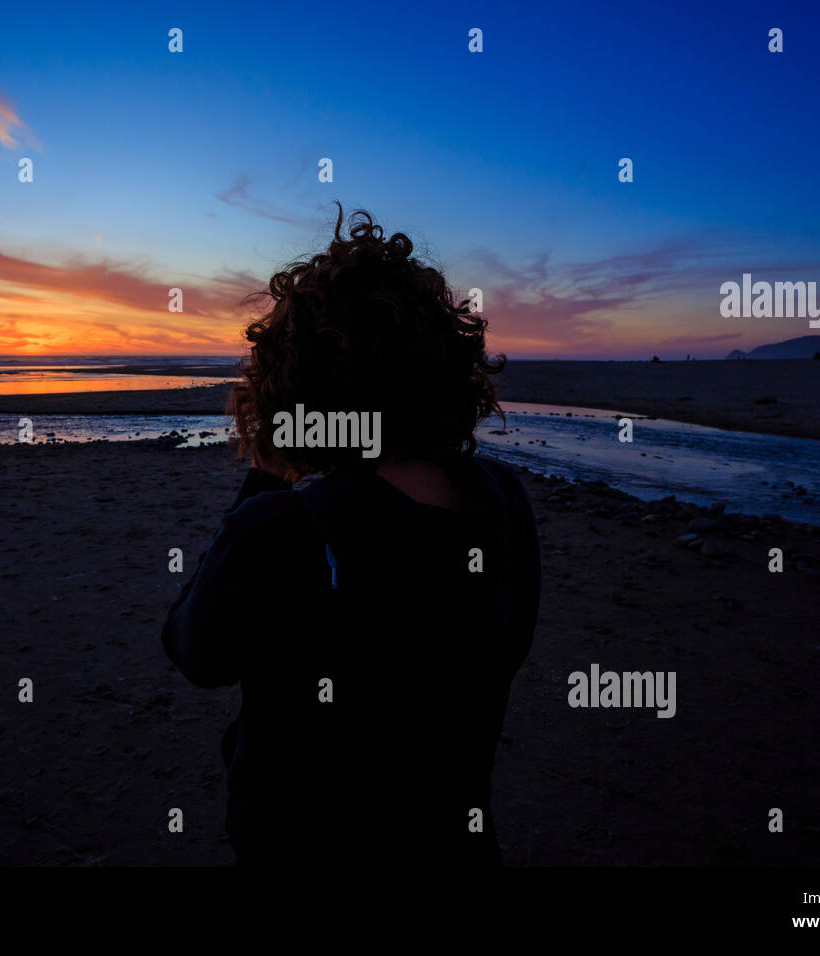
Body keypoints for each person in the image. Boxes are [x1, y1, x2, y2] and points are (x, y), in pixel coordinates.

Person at [160, 205, 541, 866]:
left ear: (295, 382)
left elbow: (195, 649)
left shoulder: (284, 524)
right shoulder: (503, 498)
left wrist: (267, 479)